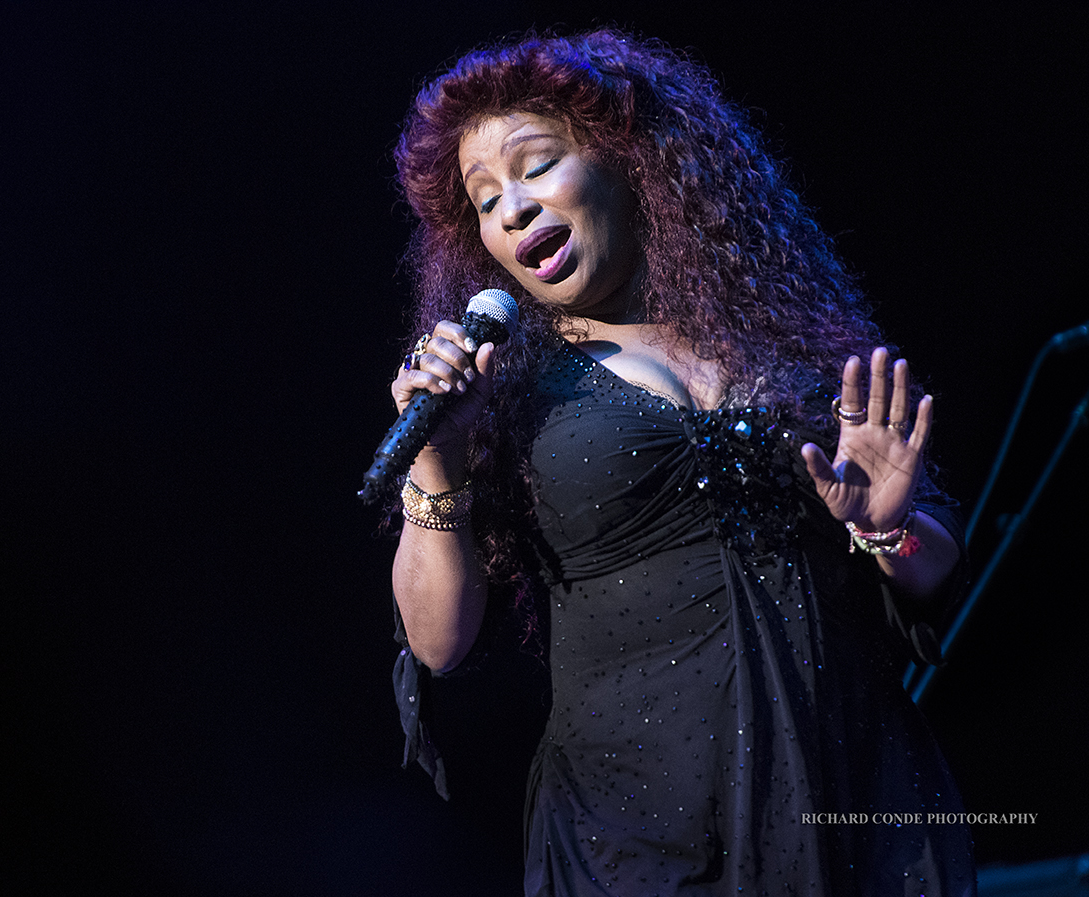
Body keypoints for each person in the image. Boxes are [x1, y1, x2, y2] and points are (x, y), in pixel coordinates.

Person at [382, 29, 974, 896]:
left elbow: (933, 572)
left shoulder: (778, 339)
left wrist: (887, 532)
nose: (509, 208)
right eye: (484, 198)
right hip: (638, 837)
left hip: (853, 796)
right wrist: (436, 462)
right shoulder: (505, 392)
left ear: (628, 159)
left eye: (536, 165)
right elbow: (438, 643)